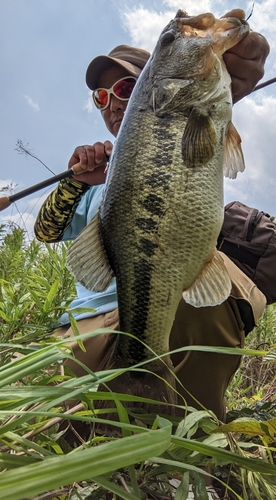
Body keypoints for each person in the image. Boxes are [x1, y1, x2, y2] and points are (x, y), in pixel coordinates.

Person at [34, 10, 269, 425]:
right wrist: (75, 183)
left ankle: (187, 432)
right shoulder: (93, 181)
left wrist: (226, 80)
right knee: (65, 423)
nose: (112, 103)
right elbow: (45, 230)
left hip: (174, 311)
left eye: (124, 87)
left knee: (224, 290)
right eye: (101, 98)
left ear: (149, 83)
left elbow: (201, 116)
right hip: (90, 325)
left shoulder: (192, 111)